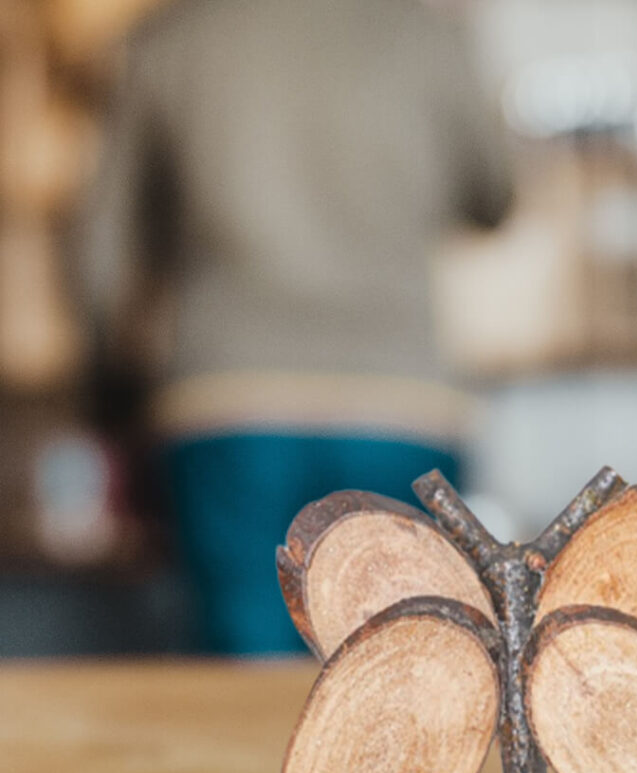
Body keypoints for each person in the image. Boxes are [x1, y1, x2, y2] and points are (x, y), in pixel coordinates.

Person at [73, 0, 513, 654]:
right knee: (401, 673)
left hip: (228, 402)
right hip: (401, 402)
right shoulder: (429, 38)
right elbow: (497, 193)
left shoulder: (171, 42)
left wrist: (111, 391)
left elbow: (100, 252)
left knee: (245, 683)